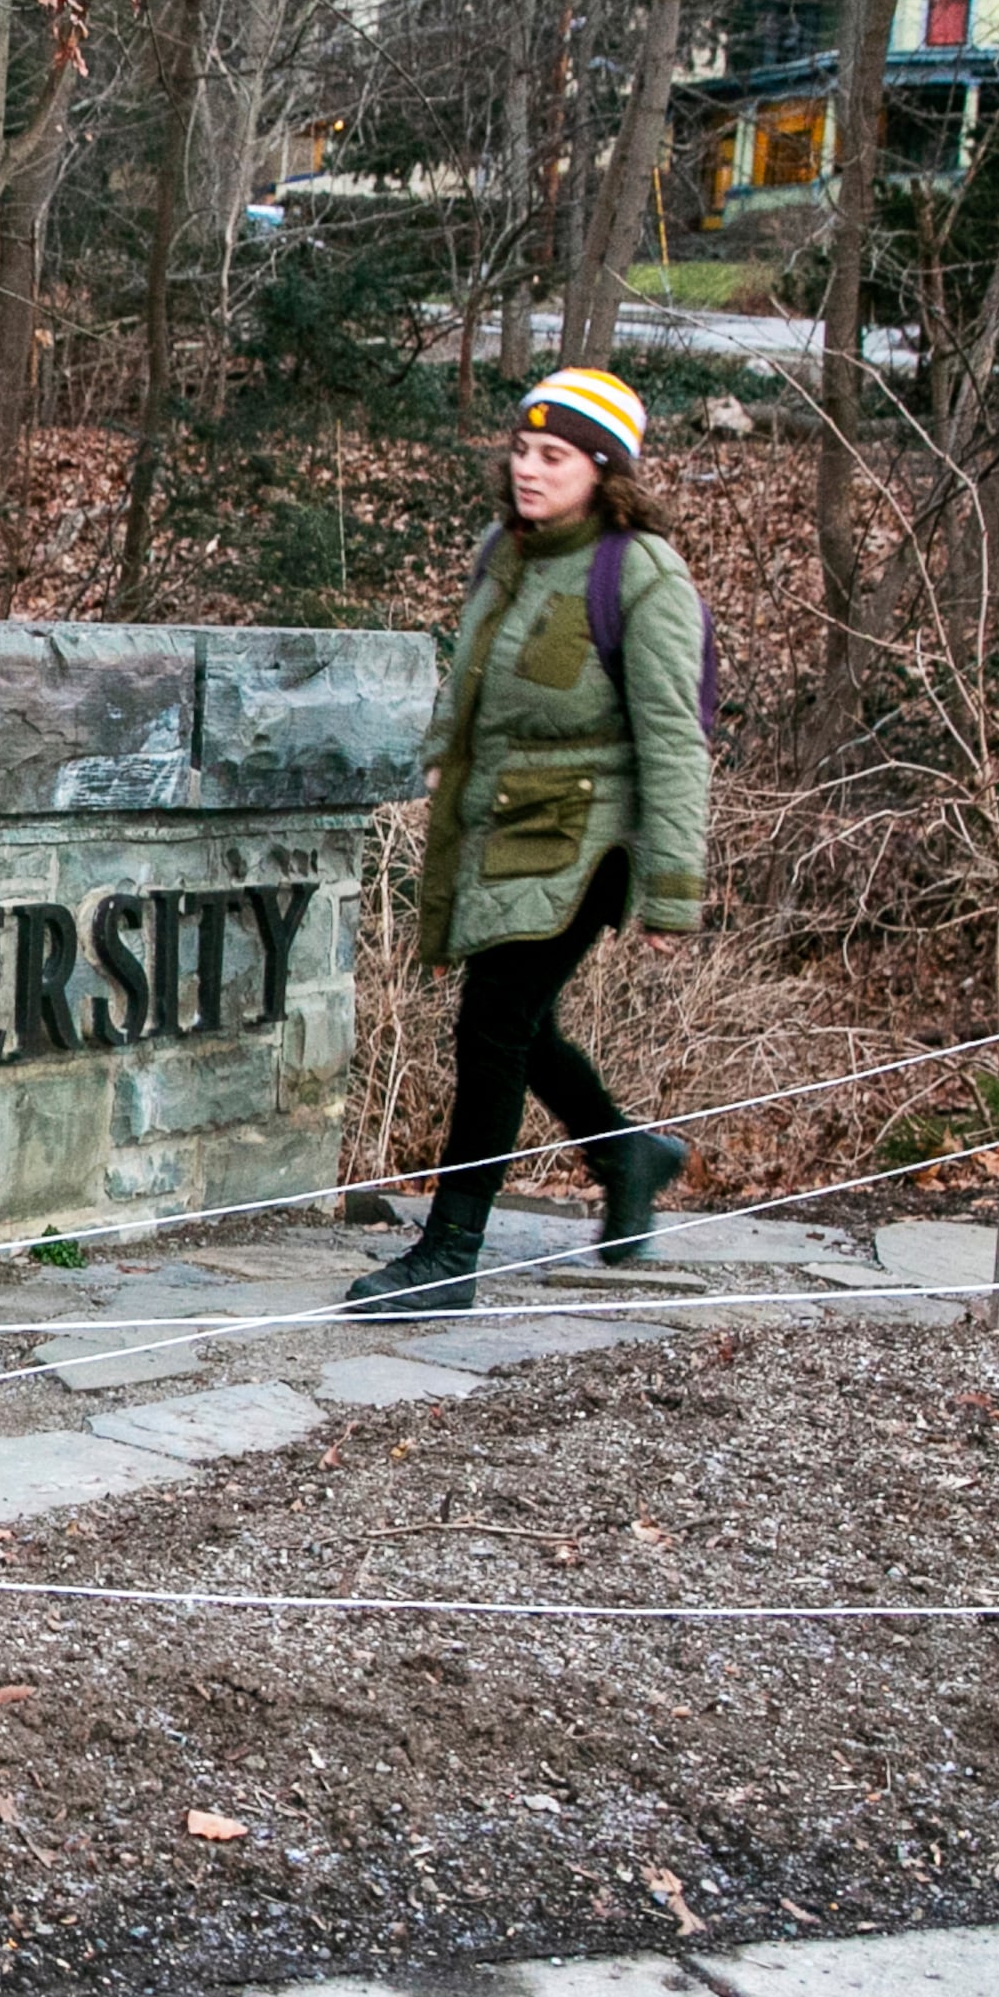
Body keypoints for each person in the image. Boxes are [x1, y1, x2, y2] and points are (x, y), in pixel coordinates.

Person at [350, 368, 714, 1314]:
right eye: (522, 449)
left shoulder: (640, 574)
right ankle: (628, 1153)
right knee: (518, 1023)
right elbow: (471, 677)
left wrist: (674, 889)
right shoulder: (502, 553)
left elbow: (677, 739)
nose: (529, 469)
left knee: (491, 1024)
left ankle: (450, 1253)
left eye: (554, 456)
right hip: (500, 823)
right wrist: (441, 756)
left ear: (604, 470)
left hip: (586, 838)